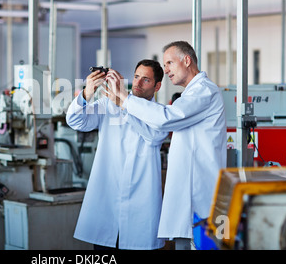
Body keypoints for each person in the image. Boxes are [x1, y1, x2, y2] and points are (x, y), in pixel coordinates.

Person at [105, 41, 227, 250]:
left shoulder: (205, 91)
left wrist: (125, 99)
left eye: (170, 62)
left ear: (187, 60)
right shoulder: (190, 94)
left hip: (203, 200)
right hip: (191, 200)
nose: (167, 69)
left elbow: (166, 118)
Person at [66, 60, 168, 250]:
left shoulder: (160, 113)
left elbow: (154, 137)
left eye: (146, 80)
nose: (137, 83)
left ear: (157, 86)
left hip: (141, 205)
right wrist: (88, 92)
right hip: (108, 203)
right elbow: (75, 121)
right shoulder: (108, 105)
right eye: (136, 77)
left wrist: (123, 104)